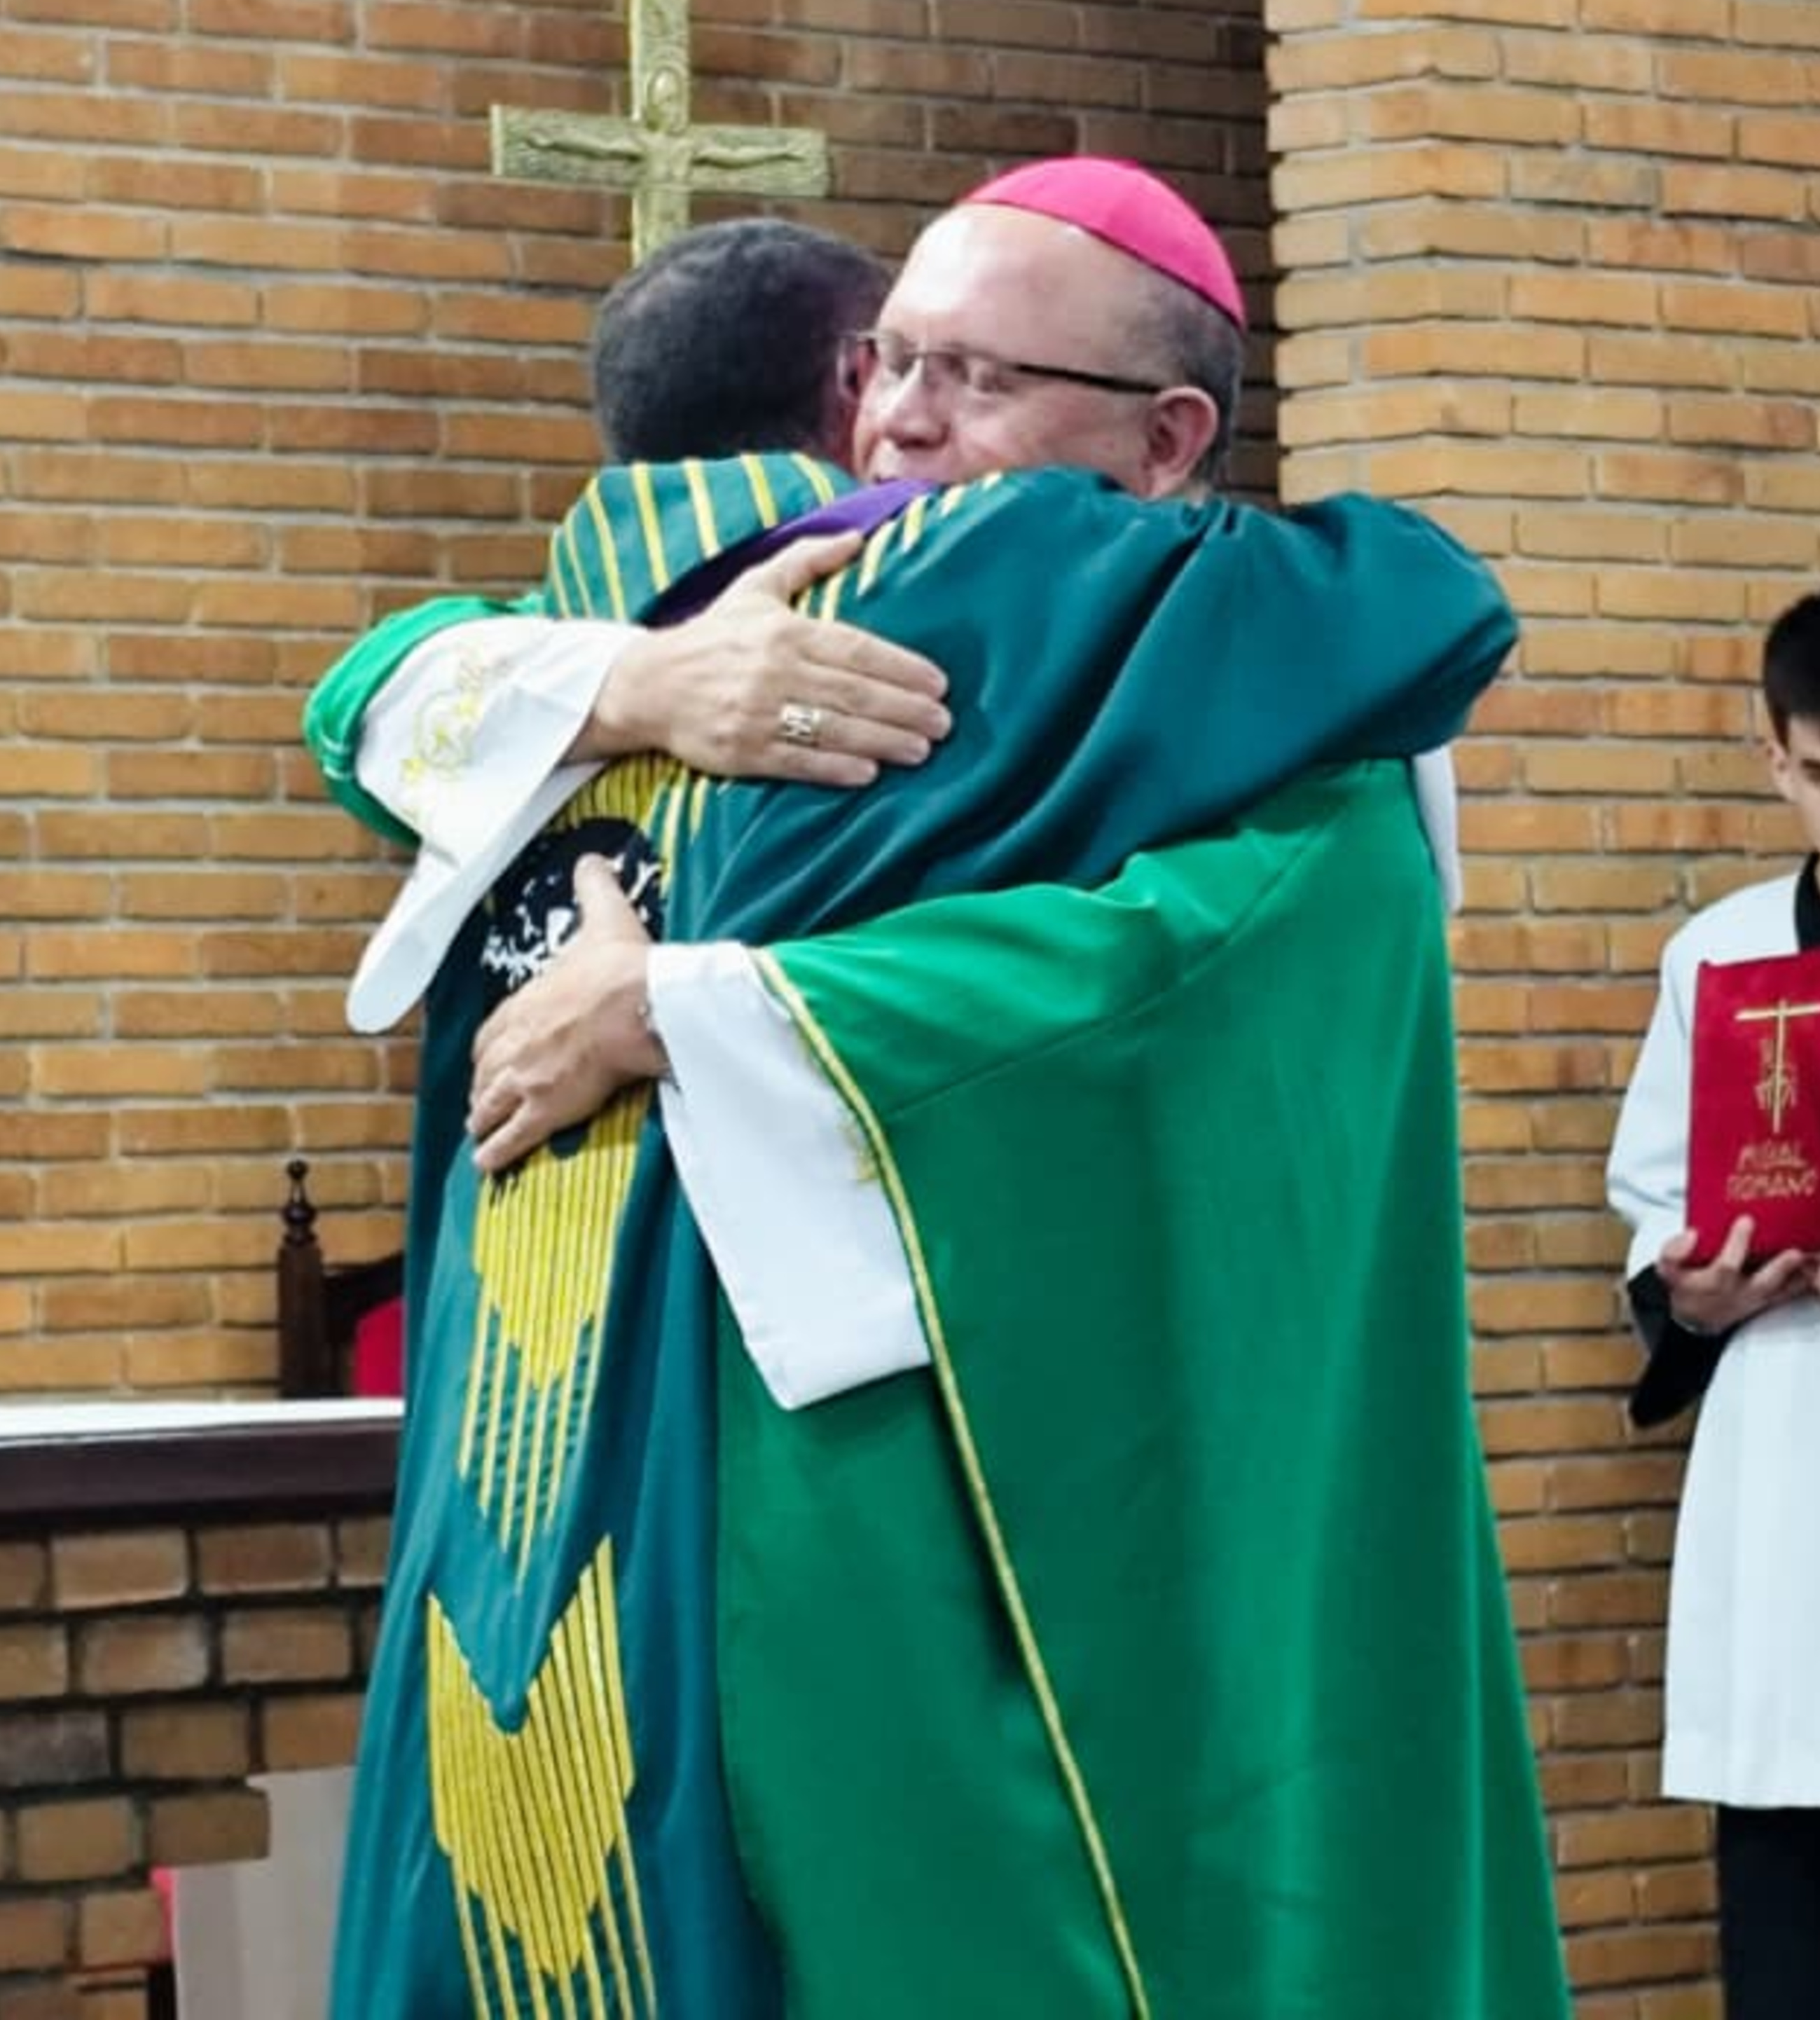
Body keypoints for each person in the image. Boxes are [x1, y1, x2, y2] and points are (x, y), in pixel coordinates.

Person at [324, 163, 1566, 2018]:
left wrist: (700, 1007)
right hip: (609, 1464)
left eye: (975, 380)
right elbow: (374, 701)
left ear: (1165, 441)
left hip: (985, 1504)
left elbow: (1184, 979)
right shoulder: (760, 620)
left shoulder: (1269, 695)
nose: (901, 416)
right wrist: (643, 683)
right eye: (891, 361)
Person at [1606, 581, 1820, 2020]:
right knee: (1801, 1892)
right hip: (1788, 1464)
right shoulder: (1720, 954)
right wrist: (1697, 1290)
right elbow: (1654, 1197)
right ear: (1777, 757)